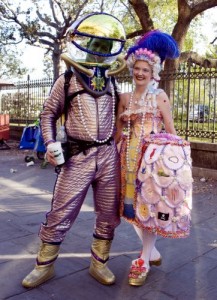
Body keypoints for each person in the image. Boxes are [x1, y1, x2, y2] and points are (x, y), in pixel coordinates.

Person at [22, 12, 126, 288]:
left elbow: (119, 117)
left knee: (108, 212)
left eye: (104, 46)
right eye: (96, 45)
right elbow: (47, 115)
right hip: (77, 157)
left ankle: (99, 263)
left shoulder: (112, 83)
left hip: (108, 156)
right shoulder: (66, 80)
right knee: (61, 210)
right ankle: (44, 265)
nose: (99, 51)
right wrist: (51, 142)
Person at [115, 30, 192, 286]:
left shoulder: (160, 96)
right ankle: (153, 251)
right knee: (132, 210)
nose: (140, 73)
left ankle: (144, 260)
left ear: (153, 72)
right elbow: (117, 135)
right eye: (136, 68)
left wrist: (179, 161)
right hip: (126, 159)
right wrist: (124, 120)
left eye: (145, 70)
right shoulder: (124, 98)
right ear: (131, 68)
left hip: (151, 163)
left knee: (148, 208)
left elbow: (171, 131)